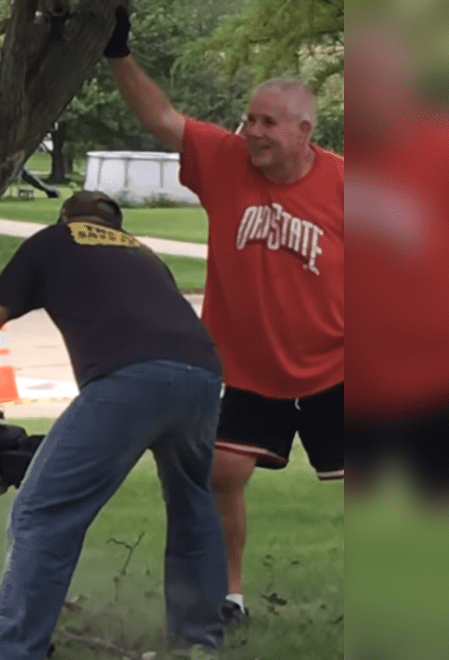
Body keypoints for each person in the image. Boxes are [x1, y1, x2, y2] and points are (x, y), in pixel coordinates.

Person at [100, 6, 345, 624]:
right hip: (245, 367)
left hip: (338, 365)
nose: (253, 131)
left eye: (268, 122)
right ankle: (228, 597)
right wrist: (117, 51)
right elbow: (160, 117)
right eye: (249, 119)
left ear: (305, 131)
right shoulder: (225, 160)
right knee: (222, 475)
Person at [0, 191, 229, 659]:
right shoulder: (143, 252)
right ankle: (200, 643)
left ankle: (12, 651)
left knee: (41, 512)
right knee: (194, 507)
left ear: (66, 215)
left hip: (128, 382)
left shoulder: (53, 240)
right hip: (202, 377)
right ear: (116, 223)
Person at [344, 23, 449, 504]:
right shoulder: (338, 163)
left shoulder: (438, 148)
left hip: (433, 379)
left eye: (372, 82)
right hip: (358, 381)